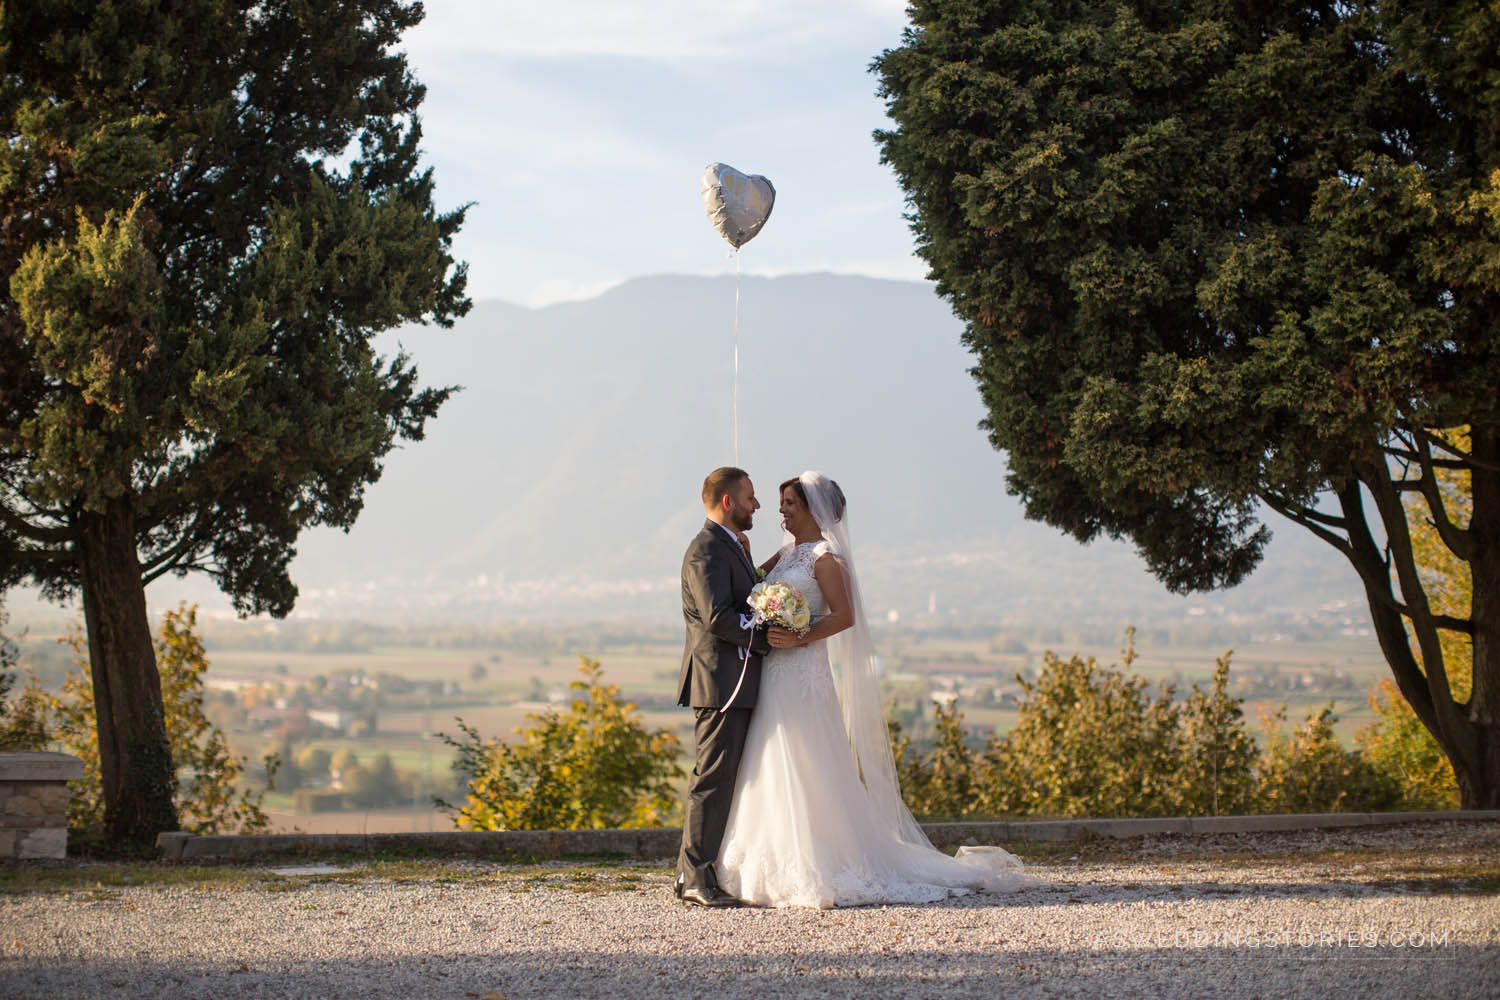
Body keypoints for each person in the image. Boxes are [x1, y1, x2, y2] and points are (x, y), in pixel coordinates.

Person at [715, 471, 1035, 907]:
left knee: (808, 758)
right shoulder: (788, 553)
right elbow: (755, 586)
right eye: (781, 502)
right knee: (770, 753)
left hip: (804, 670)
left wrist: (798, 635)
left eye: (789, 502)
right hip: (775, 672)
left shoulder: (826, 558)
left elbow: (843, 616)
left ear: (812, 509)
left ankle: (819, 859)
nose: (781, 510)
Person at [675, 466, 772, 907]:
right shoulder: (706, 550)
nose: (757, 505)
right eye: (751, 497)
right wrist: (768, 636)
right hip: (721, 683)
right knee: (712, 780)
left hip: (737, 679)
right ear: (728, 502)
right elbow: (717, 617)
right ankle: (692, 878)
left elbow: (743, 598)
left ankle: (706, 871)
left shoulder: (729, 546)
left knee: (727, 779)